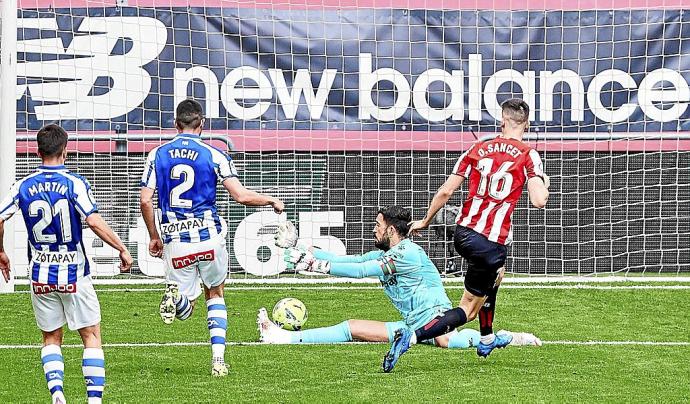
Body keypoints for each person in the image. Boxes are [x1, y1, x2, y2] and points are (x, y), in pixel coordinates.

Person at [382, 98, 550, 372]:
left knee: (496, 273)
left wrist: (425, 221)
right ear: (527, 124)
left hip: (462, 234)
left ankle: (487, 337)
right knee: (467, 310)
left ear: (502, 120)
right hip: (489, 241)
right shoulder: (528, 154)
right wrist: (544, 181)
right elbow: (539, 200)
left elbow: (446, 192)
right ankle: (412, 337)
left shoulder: (478, 147)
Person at [140, 99, 284, 377]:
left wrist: (154, 236)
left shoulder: (157, 154)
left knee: (186, 310)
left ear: (175, 124)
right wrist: (270, 200)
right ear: (202, 124)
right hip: (209, 238)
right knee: (214, 292)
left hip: (175, 241)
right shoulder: (214, 154)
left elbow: (146, 201)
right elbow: (240, 195)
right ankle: (218, 360)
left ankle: (177, 299)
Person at [258, 209, 541, 349]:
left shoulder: (406, 253)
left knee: (445, 341)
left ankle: (509, 338)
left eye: (377, 226)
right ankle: (285, 337)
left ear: (392, 230)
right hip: (411, 324)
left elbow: (359, 272)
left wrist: (313, 264)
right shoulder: (389, 251)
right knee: (351, 328)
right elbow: (352, 261)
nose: (373, 230)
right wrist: (302, 246)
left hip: (436, 319)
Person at [0, 124, 133, 404]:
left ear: (37, 152)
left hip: (40, 275)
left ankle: (57, 394)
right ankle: (94, 400)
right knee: (91, 335)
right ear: (65, 151)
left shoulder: (23, 184)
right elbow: (93, 220)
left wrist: (1, 251)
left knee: (51, 337)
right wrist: (121, 248)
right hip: (75, 273)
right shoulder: (74, 183)